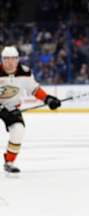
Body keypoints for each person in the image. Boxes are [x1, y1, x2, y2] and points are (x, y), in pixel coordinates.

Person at [0, 46, 61, 174]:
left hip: (12, 108)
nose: (9, 62)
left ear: (17, 59)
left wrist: (48, 99)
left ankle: (9, 162)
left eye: (12, 59)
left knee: (18, 130)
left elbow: (34, 89)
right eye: (6, 59)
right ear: (2, 60)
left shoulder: (25, 72)